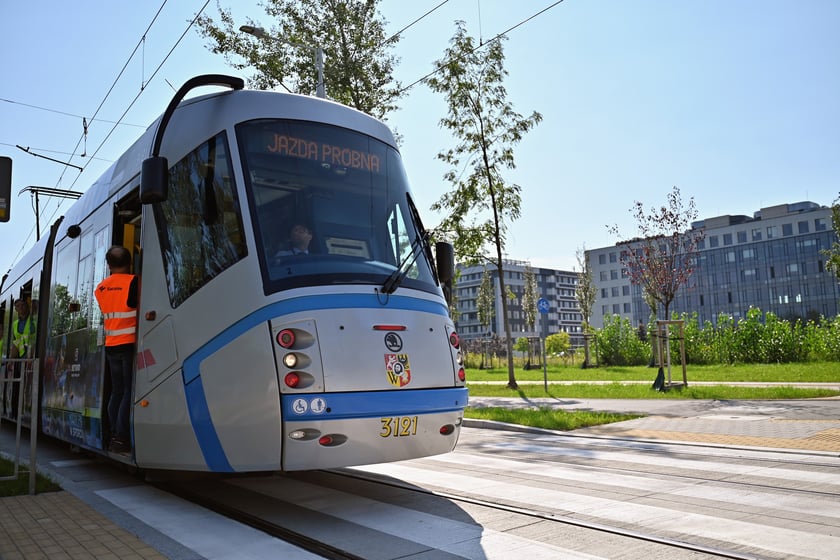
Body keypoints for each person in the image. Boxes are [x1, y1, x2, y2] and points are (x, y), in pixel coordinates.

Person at [94, 246, 138, 454]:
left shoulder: (100, 288)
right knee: (128, 391)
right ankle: (121, 437)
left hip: (111, 345)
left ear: (108, 265)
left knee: (117, 391)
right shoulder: (134, 283)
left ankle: (113, 434)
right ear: (129, 262)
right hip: (129, 344)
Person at [8, 299, 35, 418]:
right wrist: (10, 360)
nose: (21, 308)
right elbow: (15, 342)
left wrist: (31, 356)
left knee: (26, 386)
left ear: (26, 307)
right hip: (19, 359)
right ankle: (15, 413)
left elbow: (33, 339)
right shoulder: (15, 324)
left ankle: (24, 411)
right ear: (16, 310)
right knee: (16, 386)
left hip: (30, 358)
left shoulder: (33, 321)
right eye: (18, 306)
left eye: (23, 305)